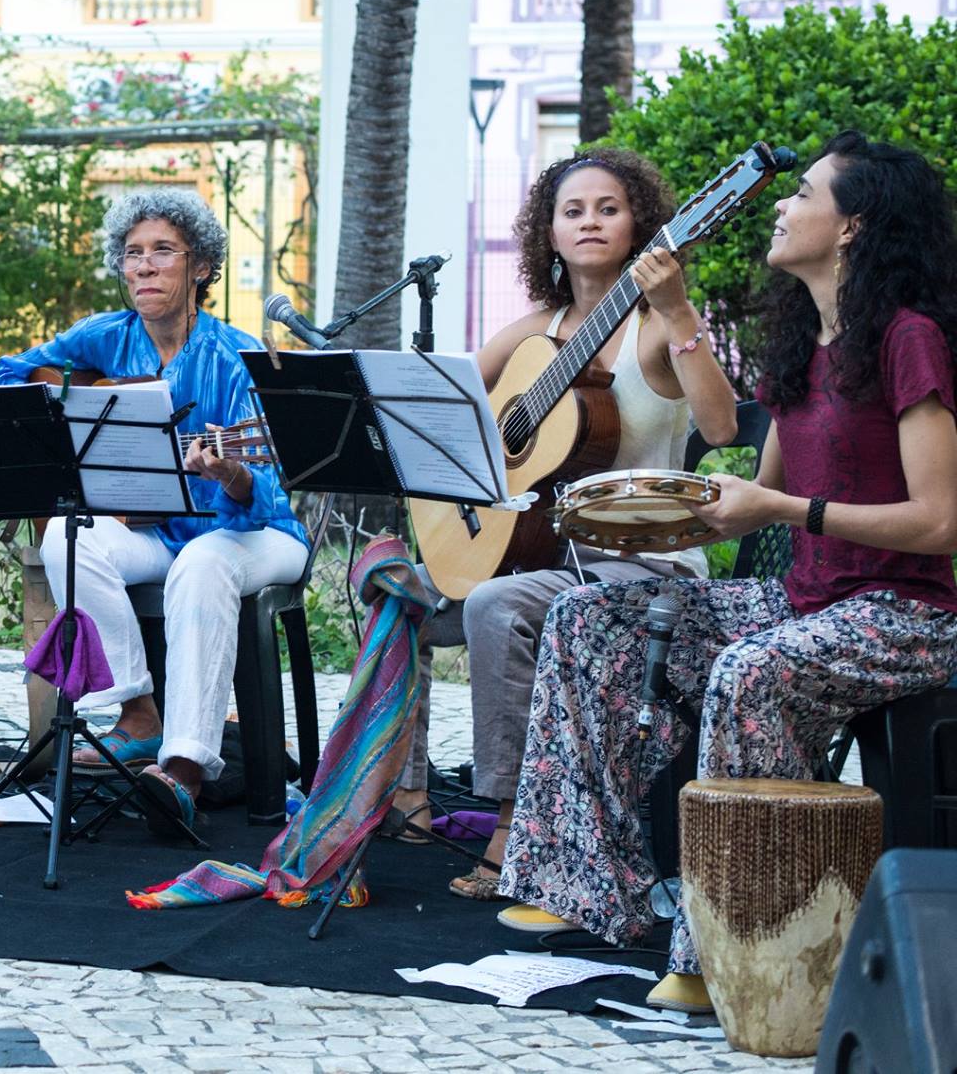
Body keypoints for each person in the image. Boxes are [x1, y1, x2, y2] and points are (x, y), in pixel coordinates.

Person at [494, 133, 957, 1014]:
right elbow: (750, 496)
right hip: (805, 598)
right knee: (589, 618)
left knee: (750, 672)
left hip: (905, 614)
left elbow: (939, 521)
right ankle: (585, 883)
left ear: (853, 225)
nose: (782, 204)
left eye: (804, 193)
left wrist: (780, 509)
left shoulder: (910, 340)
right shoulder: (807, 342)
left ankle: (729, 949)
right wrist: (637, 510)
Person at [391, 149, 739, 896]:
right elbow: (446, 410)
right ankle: (406, 795)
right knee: (399, 591)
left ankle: (516, 822)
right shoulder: (536, 331)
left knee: (494, 604)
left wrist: (680, 312)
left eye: (608, 208)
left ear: (641, 224)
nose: (589, 222)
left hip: (642, 564)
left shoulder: (655, 327)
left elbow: (722, 425)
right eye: (572, 210)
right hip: (541, 554)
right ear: (547, 232)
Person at [0, 189, 310, 837]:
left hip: (257, 533)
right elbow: (8, 374)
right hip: (161, 531)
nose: (144, 266)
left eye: (163, 250)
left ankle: (183, 770)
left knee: (204, 560)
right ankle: (137, 711)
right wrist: (76, 417)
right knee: (70, 537)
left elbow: (267, 496)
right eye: (133, 253)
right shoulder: (107, 337)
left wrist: (228, 473)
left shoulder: (234, 354)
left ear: (201, 266)